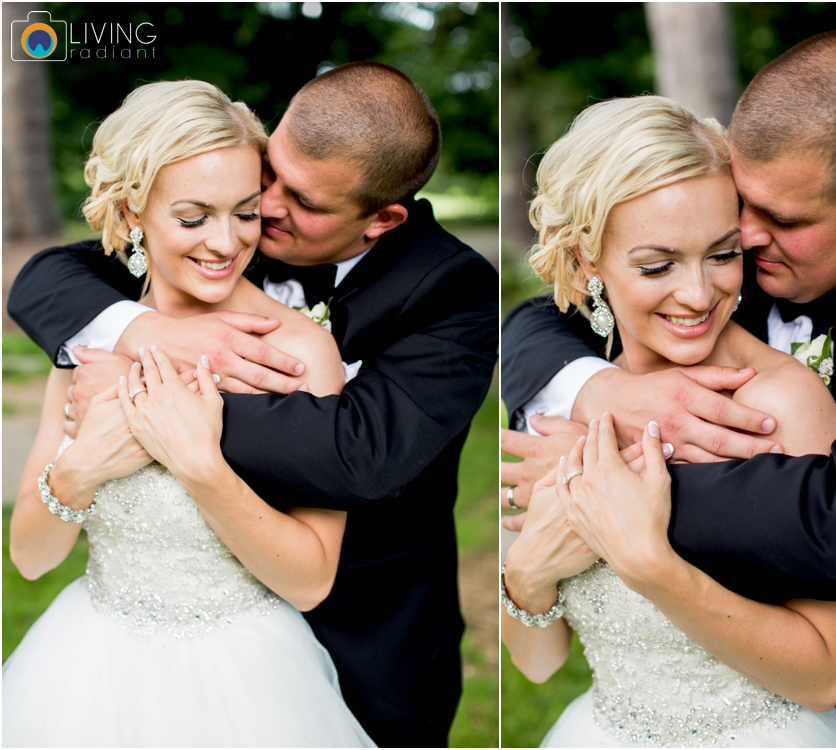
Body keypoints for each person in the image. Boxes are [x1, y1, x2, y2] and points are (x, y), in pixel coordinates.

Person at [501, 31, 836, 748]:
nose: (744, 242)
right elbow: (535, 324)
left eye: (775, 224)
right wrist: (595, 393)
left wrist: (611, 484)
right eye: (742, 207)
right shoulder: (691, 292)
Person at [8, 63, 498, 747]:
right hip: (100, 665)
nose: (256, 217)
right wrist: (140, 343)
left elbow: (356, 459)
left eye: (294, 201)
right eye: (267, 177)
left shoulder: (448, 290)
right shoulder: (120, 325)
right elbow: (49, 279)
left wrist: (161, 412)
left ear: (381, 219)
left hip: (354, 640)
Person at [502, 95, 836, 748]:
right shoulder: (562, 407)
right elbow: (538, 661)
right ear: (586, 262)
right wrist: (525, 574)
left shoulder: (783, 407)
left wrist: (652, 567)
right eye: (657, 265)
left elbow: (826, 675)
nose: (699, 295)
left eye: (722, 255)